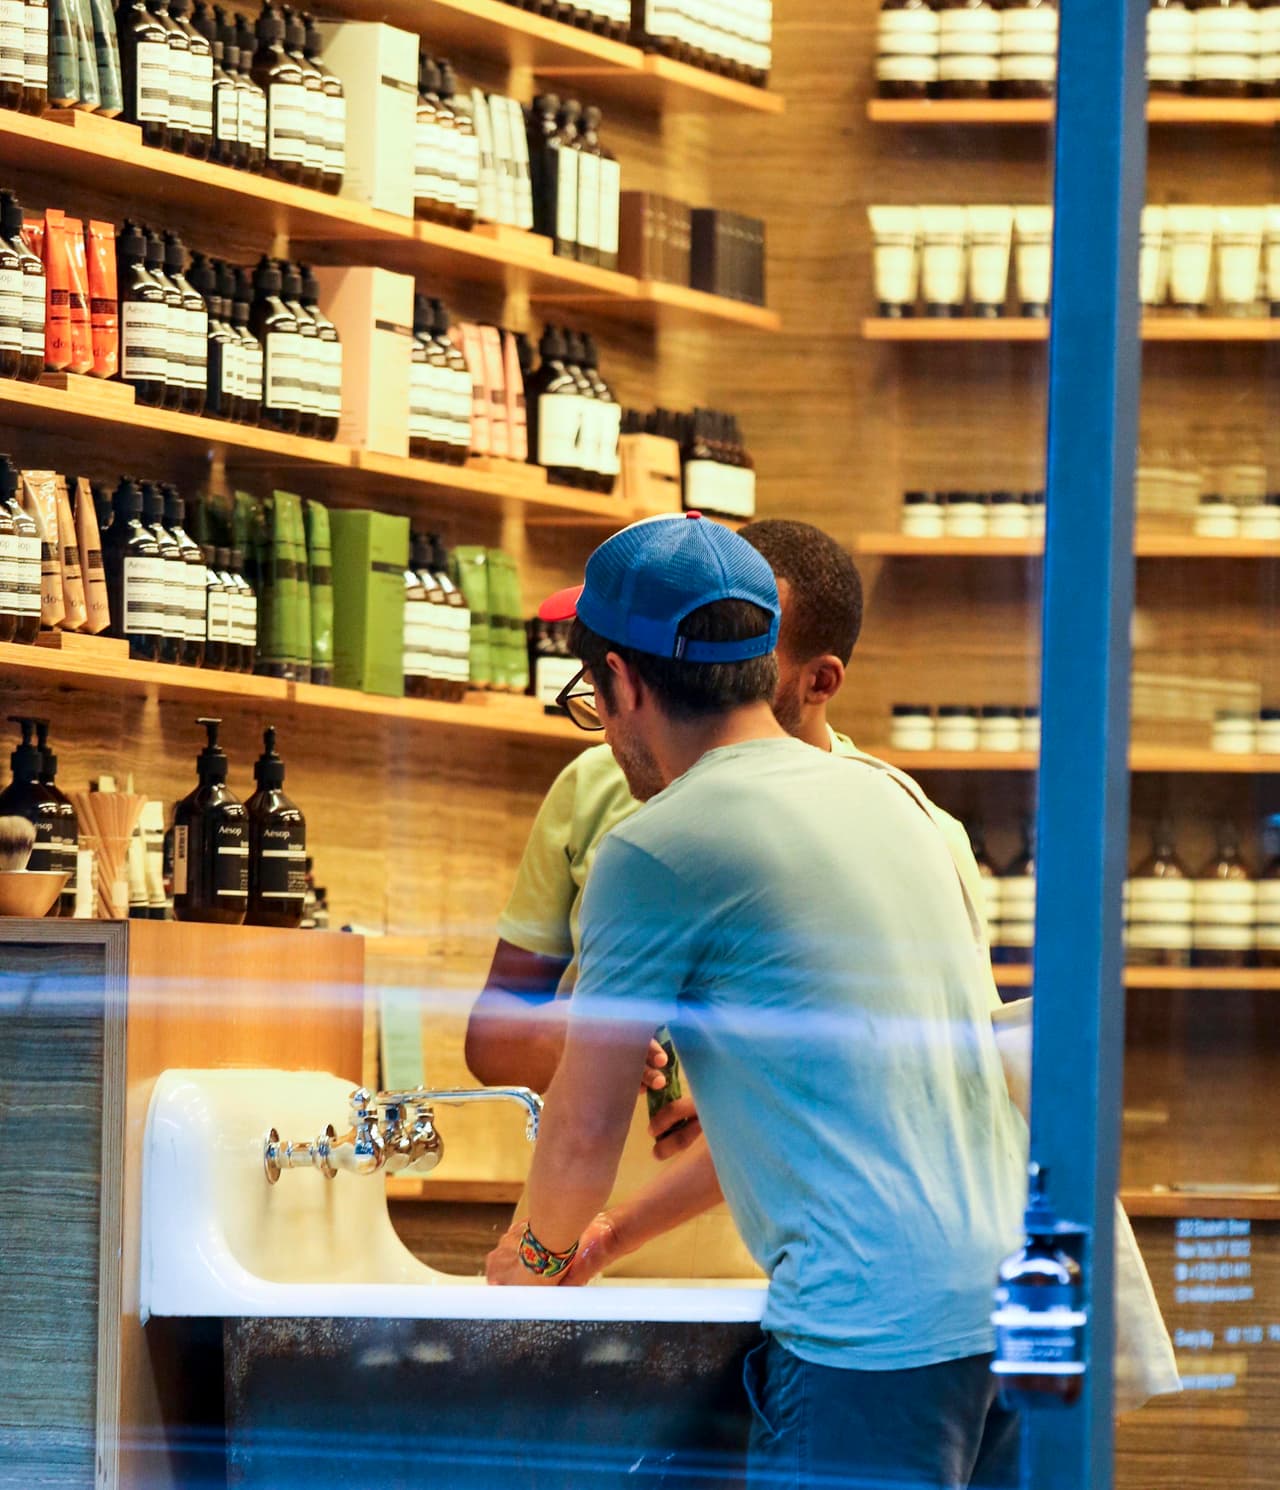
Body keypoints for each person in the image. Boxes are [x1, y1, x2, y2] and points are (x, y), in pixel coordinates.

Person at [485, 514, 1026, 1490]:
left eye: (590, 699)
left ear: (622, 683)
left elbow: (583, 1121)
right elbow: (834, 1111)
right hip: (1009, 1317)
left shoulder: (661, 845)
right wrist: (614, 1234)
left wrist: (527, 1263)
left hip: (872, 1334)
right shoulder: (890, 803)